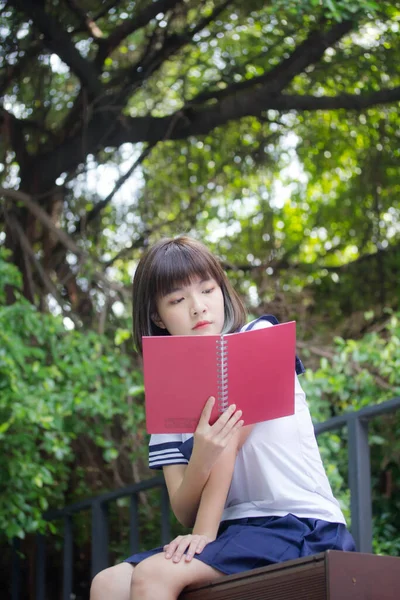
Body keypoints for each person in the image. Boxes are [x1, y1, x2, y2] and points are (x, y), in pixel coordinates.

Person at [90, 236, 355, 600]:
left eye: (207, 289)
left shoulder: (257, 339)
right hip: (237, 532)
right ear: (157, 316)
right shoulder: (166, 396)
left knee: (154, 575)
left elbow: (229, 444)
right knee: (107, 584)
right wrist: (200, 456)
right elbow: (183, 508)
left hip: (298, 523)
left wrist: (204, 534)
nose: (198, 307)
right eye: (177, 300)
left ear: (222, 291)